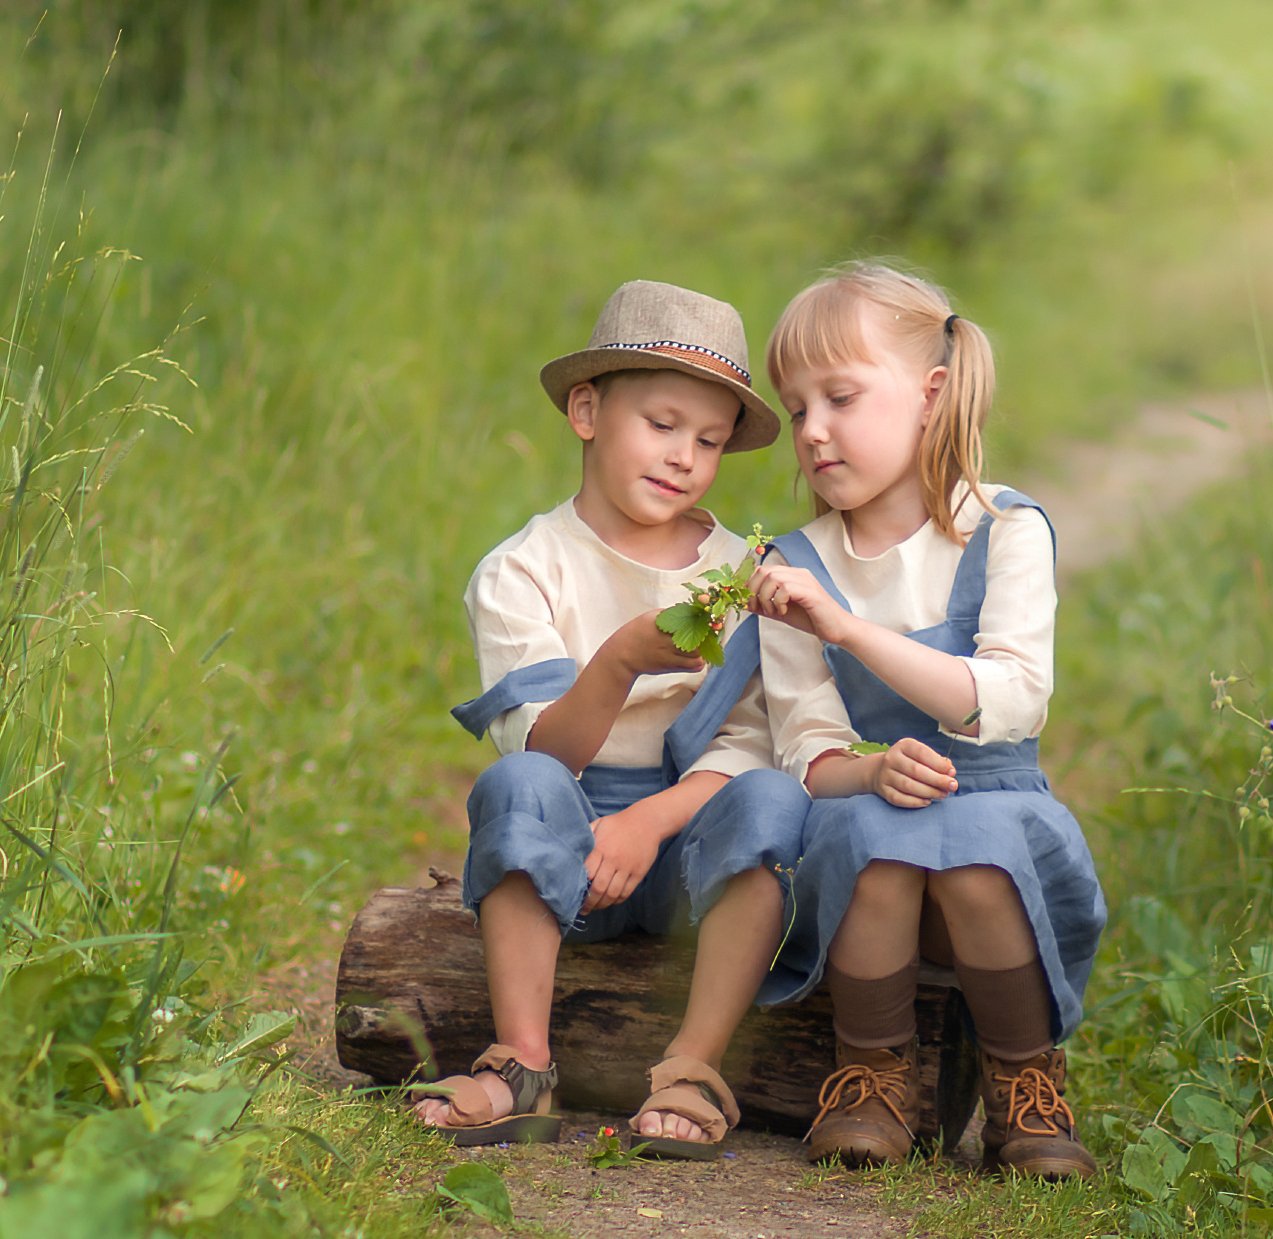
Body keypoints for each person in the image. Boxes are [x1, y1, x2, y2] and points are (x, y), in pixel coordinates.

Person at [415, 280, 810, 1159]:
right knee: (516, 782)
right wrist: (620, 659)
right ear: (587, 411)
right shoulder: (526, 569)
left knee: (778, 802)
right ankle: (522, 1064)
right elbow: (541, 746)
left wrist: (646, 822)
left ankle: (693, 1067)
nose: (684, 457)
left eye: (709, 442)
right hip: (567, 834)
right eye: (663, 424)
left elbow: (754, 740)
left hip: (688, 842)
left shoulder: (744, 573)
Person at [749, 262, 1106, 1179]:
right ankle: (871, 1073)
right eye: (796, 410)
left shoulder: (1002, 529)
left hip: (998, 831)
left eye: (841, 396)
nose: (814, 431)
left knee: (977, 838)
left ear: (930, 395)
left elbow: (1009, 698)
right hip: (874, 837)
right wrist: (867, 772)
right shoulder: (794, 566)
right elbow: (806, 749)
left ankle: (1025, 1081)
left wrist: (850, 630)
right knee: (875, 832)